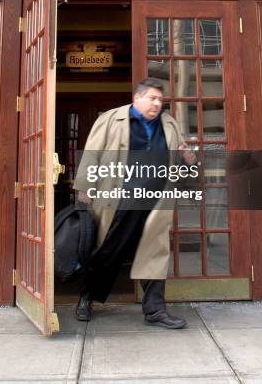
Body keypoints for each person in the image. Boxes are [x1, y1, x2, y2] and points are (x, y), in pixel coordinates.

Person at [72, 77, 195, 329]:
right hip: (119, 199)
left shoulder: (169, 123)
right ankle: (86, 297)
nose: (157, 103)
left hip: (156, 202)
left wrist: (187, 159)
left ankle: (155, 311)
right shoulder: (110, 119)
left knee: (154, 253)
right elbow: (92, 152)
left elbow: (178, 157)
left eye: (160, 99)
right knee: (107, 250)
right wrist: (84, 188)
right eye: (152, 98)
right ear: (136, 98)